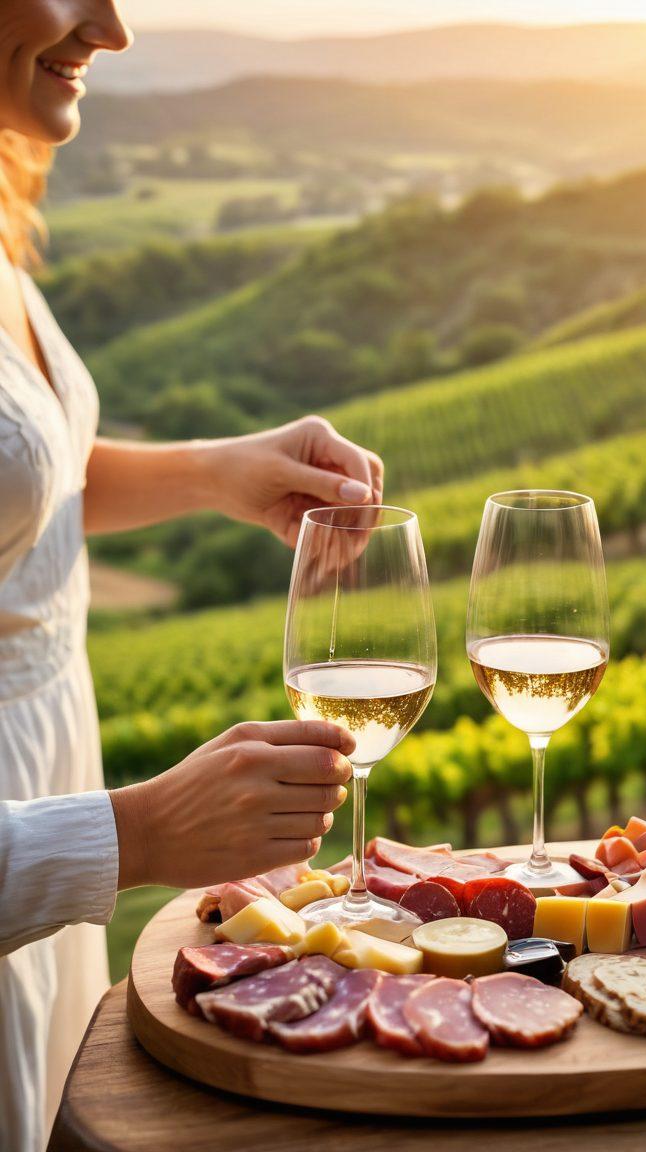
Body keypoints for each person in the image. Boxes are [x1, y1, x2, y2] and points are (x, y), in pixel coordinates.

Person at [0, 3, 384, 1148]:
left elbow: (28, 483)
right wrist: (136, 832)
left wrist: (219, 471)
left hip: (43, 784)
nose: (108, 25)